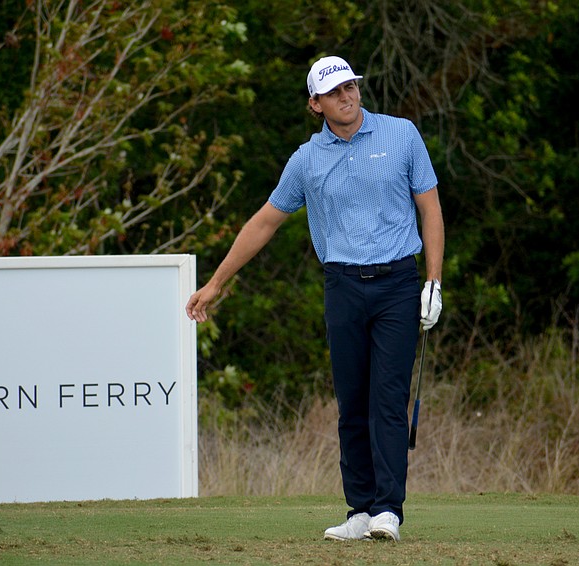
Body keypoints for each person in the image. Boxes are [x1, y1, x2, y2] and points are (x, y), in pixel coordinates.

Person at [185, 55, 444, 542]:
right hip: (342, 286)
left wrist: (433, 281)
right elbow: (265, 222)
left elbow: (429, 208)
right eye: (334, 92)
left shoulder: (401, 134)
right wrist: (216, 283)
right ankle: (360, 511)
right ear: (315, 104)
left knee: (388, 399)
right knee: (352, 402)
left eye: (350, 86)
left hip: (397, 283)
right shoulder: (306, 160)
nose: (346, 96)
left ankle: (388, 511)